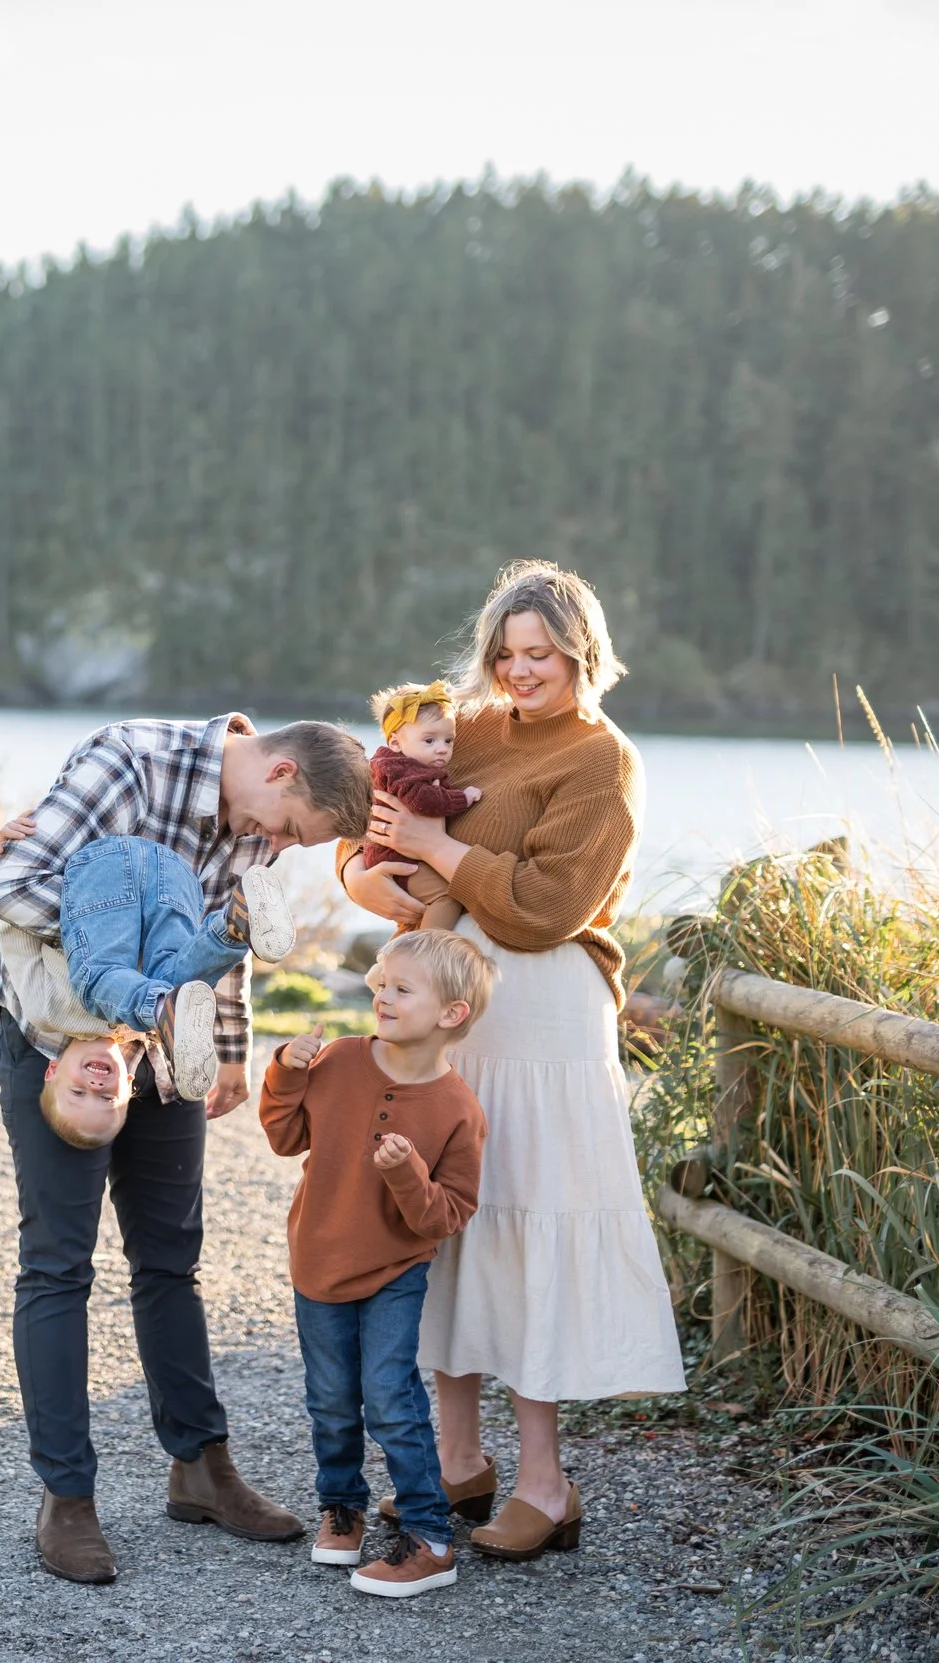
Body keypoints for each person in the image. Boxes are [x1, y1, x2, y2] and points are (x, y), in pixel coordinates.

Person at [0, 714, 373, 1584]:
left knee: (171, 1261)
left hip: (171, 1050)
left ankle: (200, 1467)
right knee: (57, 1264)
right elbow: (12, 884)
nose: (279, 845)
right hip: (62, 1043)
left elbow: (229, 939)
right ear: (284, 771)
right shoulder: (134, 762)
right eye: (290, 830)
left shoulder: (253, 818)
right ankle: (66, 1497)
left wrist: (230, 1045)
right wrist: (121, 930)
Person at [341, 560, 686, 1563]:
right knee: (441, 1219)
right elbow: (374, 830)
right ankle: (455, 1461)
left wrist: (439, 855)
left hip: (542, 1019)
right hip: (450, 1015)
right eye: (506, 651)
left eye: (542, 653)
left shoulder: (601, 760)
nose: (521, 669)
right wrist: (384, 884)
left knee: (527, 1227)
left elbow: (544, 906)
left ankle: (546, 1478)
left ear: (583, 652)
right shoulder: (468, 729)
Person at [261, 929, 493, 1600]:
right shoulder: (337, 1061)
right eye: (380, 983)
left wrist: (408, 1178)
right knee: (330, 1401)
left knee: (391, 1398)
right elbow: (283, 1136)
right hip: (319, 1259)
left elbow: (446, 1214)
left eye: (401, 987)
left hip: (395, 1270)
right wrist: (285, 1069)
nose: (382, 996)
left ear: (451, 1013)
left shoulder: (457, 1110)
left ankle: (430, 1536)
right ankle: (343, 1506)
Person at [0, 832, 298, 1129]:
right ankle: (233, 925)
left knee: (96, 984)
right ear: (129, 1084)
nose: (94, 1086)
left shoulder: (44, 1012)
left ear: (51, 1071)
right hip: (176, 875)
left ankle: (165, 1004)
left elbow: (15, 936)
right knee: (174, 975)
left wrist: (18, 853)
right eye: (107, 1098)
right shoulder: (139, 1030)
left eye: (78, 1093)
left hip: (104, 871)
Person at [355, 680, 481, 930]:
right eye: (429, 741)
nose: (442, 750)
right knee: (445, 898)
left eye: (448, 741)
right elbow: (424, 801)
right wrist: (463, 798)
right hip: (396, 860)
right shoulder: (402, 771)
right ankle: (426, 950)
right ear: (395, 743)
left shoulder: (394, 763)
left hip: (396, 857)